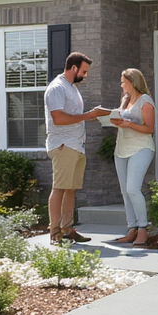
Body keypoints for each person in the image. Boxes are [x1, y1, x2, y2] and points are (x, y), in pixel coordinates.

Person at [44, 52, 109, 244]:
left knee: (70, 189)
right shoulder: (57, 88)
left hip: (76, 145)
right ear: (74, 68)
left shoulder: (71, 87)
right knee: (59, 188)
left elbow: (74, 116)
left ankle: (68, 230)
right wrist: (89, 115)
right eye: (84, 71)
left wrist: (97, 115)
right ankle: (55, 233)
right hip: (63, 145)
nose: (85, 75)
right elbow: (58, 118)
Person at [107, 68, 155, 247]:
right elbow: (124, 122)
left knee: (133, 189)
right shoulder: (125, 100)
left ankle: (143, 228)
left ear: (132, 82)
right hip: (121, 149)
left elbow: (150, 128)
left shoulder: (145, 101)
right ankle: (132, 228)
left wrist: (128, 124)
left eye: (123, 82)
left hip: (141, 148)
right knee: (125, 191)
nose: (121, 85)